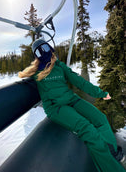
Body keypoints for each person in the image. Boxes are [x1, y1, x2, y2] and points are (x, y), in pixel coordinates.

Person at [18, 39, 126, 172]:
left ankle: (112, 152)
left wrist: (100, 93)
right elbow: (23, 79)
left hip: (72, 99)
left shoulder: (59, 66)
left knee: (101, 118)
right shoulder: (36, 72)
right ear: (36, 56)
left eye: (46, 48)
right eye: (40, 51)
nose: (45, 53)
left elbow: (79, 81)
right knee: (88, 130)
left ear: (51, 49)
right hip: (56, 107)